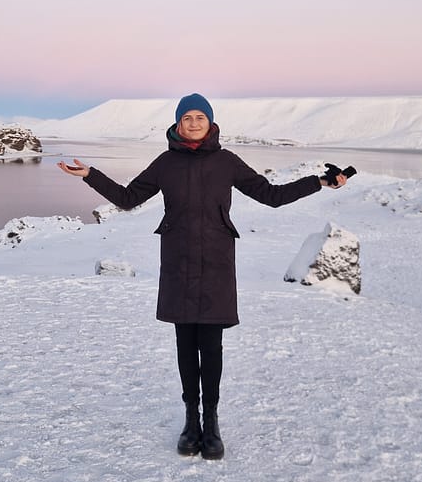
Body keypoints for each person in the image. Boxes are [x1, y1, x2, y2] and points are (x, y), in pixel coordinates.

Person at [57, 93, 347, 461]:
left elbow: (270, 195)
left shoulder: (226, 161)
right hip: (177, 261)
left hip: (216, 263)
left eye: (200, 117)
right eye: (187, 118)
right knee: (184, 345)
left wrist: (319, 182)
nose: (193, 123)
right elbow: (129, 198)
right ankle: (190, 421)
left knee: (211, 346)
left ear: (210, 122)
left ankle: (211, 422)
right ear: (177, 124)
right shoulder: (165, 163)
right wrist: (90, 175)